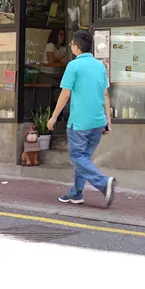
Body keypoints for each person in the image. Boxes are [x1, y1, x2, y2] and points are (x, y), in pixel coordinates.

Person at [47, 30, 116, 207]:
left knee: (77, 157)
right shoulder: (100, 66)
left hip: (80, 122)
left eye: (71, 44)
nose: (71, 46)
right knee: (83, 159)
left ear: (76, 47)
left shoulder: (73, 66)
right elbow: (105, 95)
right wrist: (108, 121)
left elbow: (65, 94)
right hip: (98, 122)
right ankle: (76, 194)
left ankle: (103, 183)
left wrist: (53, 117)